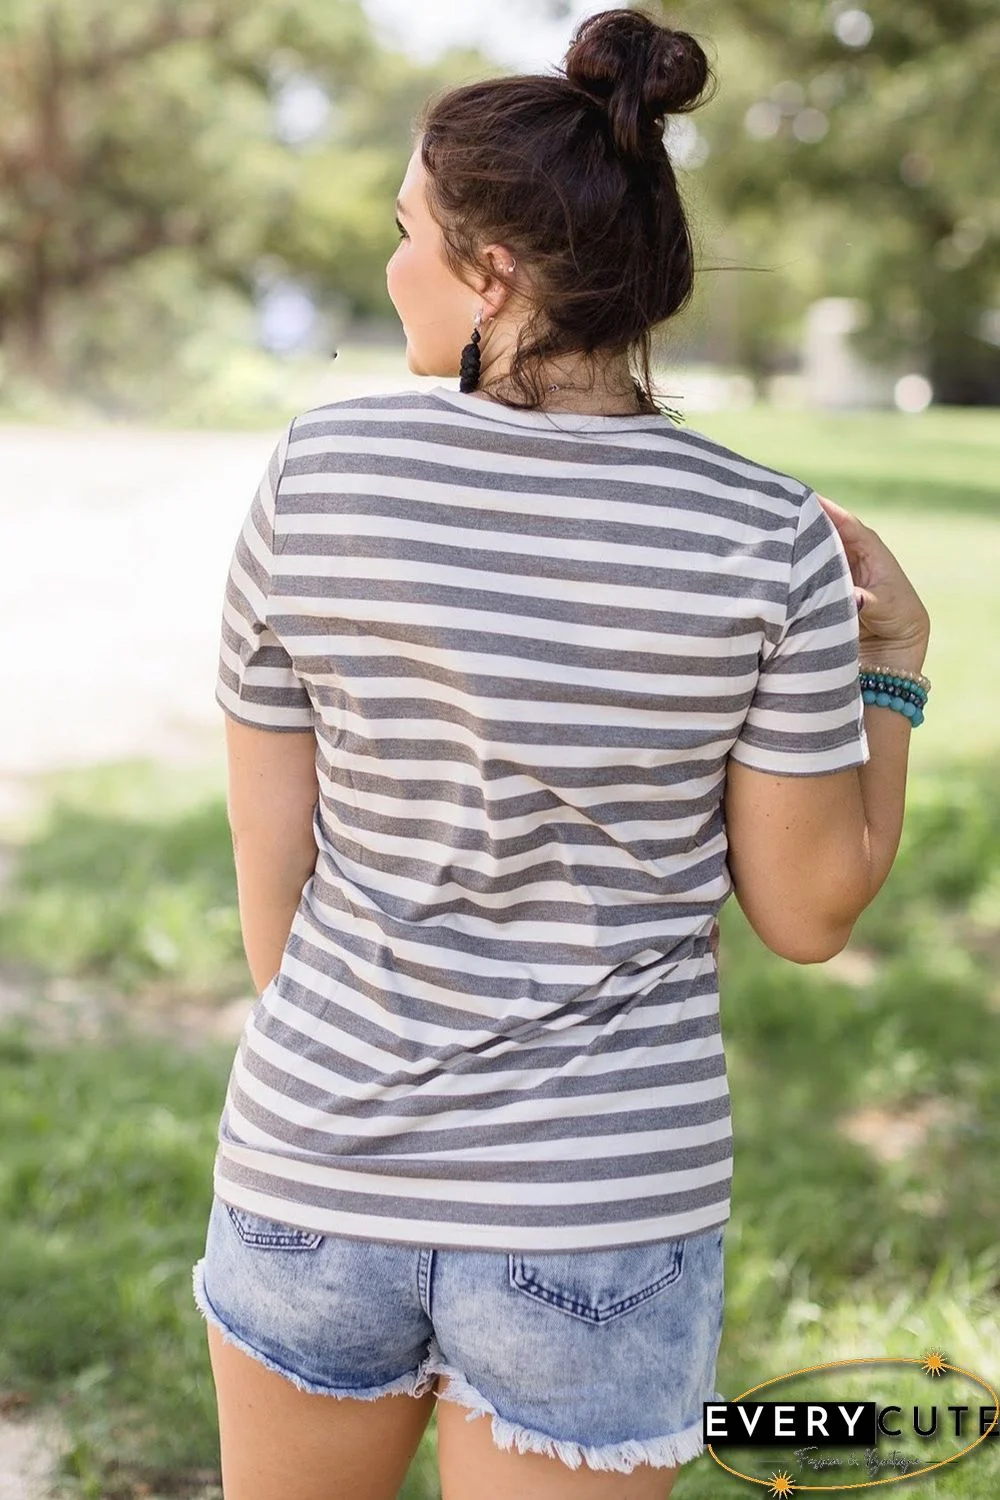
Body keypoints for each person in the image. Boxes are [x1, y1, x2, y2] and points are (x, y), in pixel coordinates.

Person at [191, 8, 932, 1499]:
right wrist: (891, 677)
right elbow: (808, 914)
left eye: (409, 233)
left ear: (492, 272)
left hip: (316, 1166)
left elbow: (272, 902)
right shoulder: (763, 533)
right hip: (600, 1211)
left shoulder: (316, 472)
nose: (389, 267)